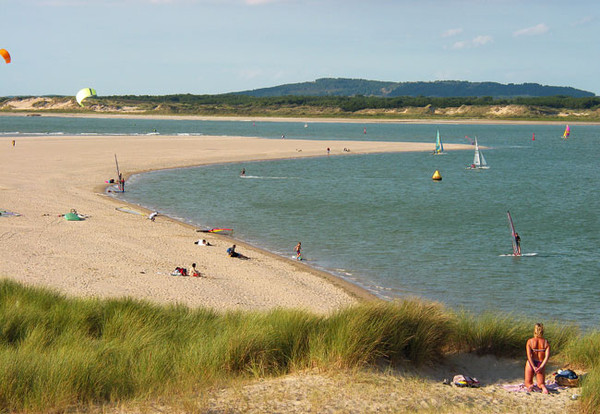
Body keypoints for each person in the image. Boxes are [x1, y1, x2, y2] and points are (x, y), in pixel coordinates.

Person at [525, 323, 550, 394]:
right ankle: (543, 388)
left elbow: (529, 356)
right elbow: (547, 357)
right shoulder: (545, 342)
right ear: (542, 331)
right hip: (540, 363)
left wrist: (533, 366)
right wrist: (541, 366)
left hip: (531, 363)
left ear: (534, 331)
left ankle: (530, 386)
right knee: (541, 383)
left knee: (528, 382)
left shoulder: (530, 341)